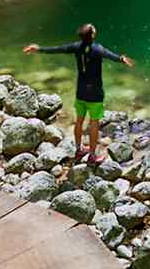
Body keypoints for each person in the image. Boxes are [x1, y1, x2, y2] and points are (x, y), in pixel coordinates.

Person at [23, 23, 133, 164]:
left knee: (79, 120)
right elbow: (113, 57)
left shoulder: (76, 47)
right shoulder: (98, 49)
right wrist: (122, 59)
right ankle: (92, 156)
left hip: (81, 92)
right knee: (94, 123)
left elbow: (58, 49)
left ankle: (78, 149)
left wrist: (39, 49)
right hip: (95, 93)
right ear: (92, 35)